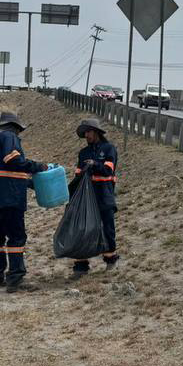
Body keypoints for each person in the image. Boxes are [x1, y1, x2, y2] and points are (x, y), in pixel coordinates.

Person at [0, 112, 47, 293]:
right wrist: (37, 166)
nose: (19, 134)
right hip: (9, 196)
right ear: (14, 127)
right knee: (17, 237)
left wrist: (30, 183)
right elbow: (13, 161)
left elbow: (4, 171)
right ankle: (15, 279)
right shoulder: (9, 136)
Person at [69, 117, 119, 278]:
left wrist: (95, 164)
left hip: (104, 195)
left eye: (88, 132)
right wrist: (71, 195)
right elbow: (78, 176)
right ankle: (81, 266)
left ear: (96, 132)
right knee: (82, 229)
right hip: (87, 197)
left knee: (107, 229)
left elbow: (108, 170)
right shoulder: (83, 153)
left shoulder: (109, 149)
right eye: (84, 133)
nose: (86, 135)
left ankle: (111, 260)